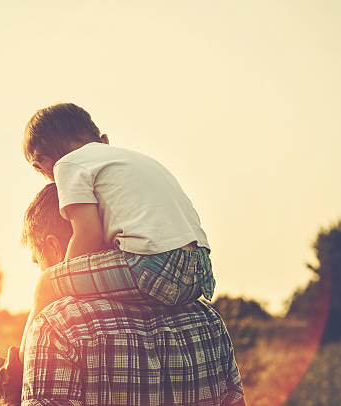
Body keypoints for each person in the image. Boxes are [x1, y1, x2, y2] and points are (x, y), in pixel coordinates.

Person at [0, 184, 246, 406]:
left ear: (53, 248)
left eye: (38, 262)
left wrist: (10, 400)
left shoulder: (57, 327)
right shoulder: (208, 322)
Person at [19, 103, 216, 360]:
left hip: (152, 264)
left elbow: (89, 233)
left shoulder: (67, 165)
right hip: (199, 270)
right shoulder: (132, 159)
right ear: (104, 140)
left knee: (47, 283)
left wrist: (65, 280)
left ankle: (20, 364)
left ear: (40, 165)